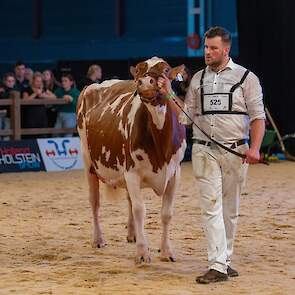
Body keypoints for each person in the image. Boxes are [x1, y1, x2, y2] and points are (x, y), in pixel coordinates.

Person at [158, 26, 265, 284]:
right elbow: (186, 118)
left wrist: (255, 148)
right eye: (206, 47)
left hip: (236, 150)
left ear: (226, 50)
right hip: (204, 150)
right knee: (211, 206)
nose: (207, 52)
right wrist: (170, 94)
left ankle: (225, 259)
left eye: (213, 48)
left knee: (231, 208)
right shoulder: (198, 80)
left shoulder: (246, 78)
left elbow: (258, 117)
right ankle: (217, 264)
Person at [22, 72, 55, 138]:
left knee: (43, 134)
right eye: (37, 81)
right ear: (33, 81)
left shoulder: (43, 89)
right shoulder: (27, 89)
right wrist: (35, 94)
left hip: (42, 115)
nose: (39, 83)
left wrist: (43, 95)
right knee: (31, 135)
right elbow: (25, 101)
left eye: (40, 81)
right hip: (31, 115)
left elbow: (54, 97)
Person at [0, 73, 16, 140]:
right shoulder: (1, 90)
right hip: (1, 116)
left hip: (10, 117)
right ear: (5, 81)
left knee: (7, 136)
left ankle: (5, 149)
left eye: (12, 81)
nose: (10, 83)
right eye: (9, 81)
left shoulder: (16, 90)